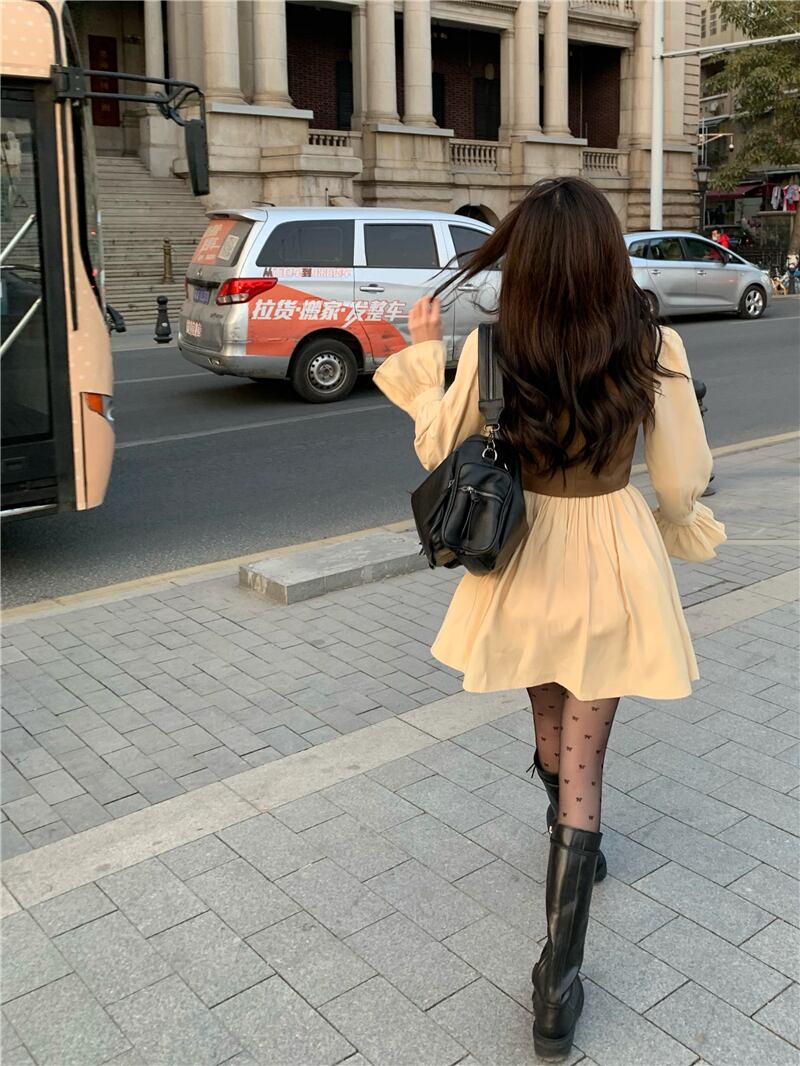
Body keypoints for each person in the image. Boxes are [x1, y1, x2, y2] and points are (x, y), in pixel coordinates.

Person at [374, 176, 726, 1061]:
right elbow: (679, 479)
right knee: (586, 762)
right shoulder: (654, 343)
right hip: (614, 557)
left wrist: (423, 359)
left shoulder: (496, 348)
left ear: (524, 261)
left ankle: (571, 850)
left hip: (525, 556)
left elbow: (439, 448)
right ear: (608, 256)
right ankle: (557, 986)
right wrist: (682, 525)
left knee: (548, 725)